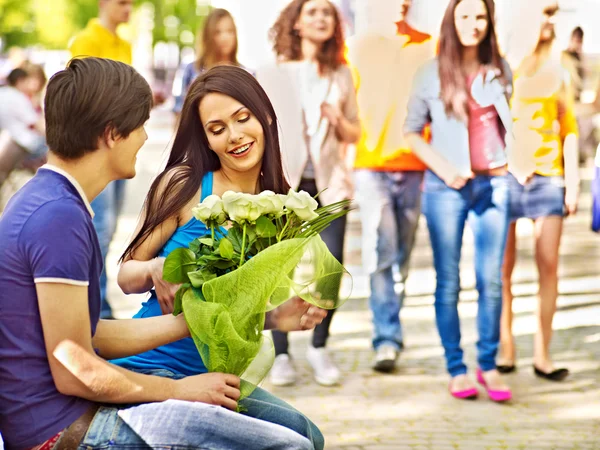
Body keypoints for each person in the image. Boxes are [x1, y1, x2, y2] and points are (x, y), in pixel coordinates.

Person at [0, 57, 324, 450]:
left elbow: (92, 335)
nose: (144, 139)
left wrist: (262, 317)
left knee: (304, 434)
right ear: (112, 134)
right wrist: (178, 389)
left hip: (69, 413)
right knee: (292, 445)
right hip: (63, 430)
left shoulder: (55, 203)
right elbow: (75, 370)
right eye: (140, 127)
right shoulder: (58, 216)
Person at [112, 64, 326, 449]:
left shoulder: (284, 208)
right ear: (207, 139)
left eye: (242, 118)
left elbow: (225, 311)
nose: (235, 135)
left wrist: (276, 317)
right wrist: (156, 268)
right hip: (152, 366)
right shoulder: (185, 185)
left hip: (214, 377)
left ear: (265, 117)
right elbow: (126, 275)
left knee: (309, 434)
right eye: (217, 128)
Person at [404, 0, 513, 401]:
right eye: (465, 16)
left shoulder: (501, 69)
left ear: (489, 22)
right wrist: (447, 169)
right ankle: (457, 367)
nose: (474, 24)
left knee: (492, 280)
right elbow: (412, 131)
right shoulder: (429, 74)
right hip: (445, 188)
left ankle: (488, 364)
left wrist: (511, 161)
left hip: (494, 186)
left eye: (480, 16)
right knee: (448, 282)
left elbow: (506, 125)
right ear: (452, 20)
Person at [259, 0, 360, 387]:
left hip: (330, 182)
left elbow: (355, 132)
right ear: (296, 23)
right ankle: (281, 353)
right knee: (277, 268)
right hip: (284, 185)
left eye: (327, 13)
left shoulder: (342, 74)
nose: (321, 17)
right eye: (312, 11)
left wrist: (338, 121)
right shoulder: (275, 73)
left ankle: (319, 345)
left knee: (330, 269)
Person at [346, 0, 434, 372]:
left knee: (401, 256)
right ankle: (386, 338)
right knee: (380, 248)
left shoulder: (430, 45)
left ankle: (390, 320)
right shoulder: (358, 47)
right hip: (371, 164)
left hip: (416, 164)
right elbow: (347, 107)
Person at [499, 1, 579, 382]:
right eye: (544, 13)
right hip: (506, 178)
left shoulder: (559, 72)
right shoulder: (502, 68)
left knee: (548, 266)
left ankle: (543, 354)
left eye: (553, 14)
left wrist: (573, 183)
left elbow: (570, 131)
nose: (549, 21)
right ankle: (506, 345)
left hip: (549, 181)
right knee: (503, 272)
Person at [69, 0, 136, 319]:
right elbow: (84, 97)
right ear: (104, 3)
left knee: (108, 233)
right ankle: (97, 309)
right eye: (123, 2)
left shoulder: (124, 44)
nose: (129, 9)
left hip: (122, 147)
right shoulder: (85, 41)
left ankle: (98, 304)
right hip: (97, 150)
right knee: (100, 228)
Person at [173, 8, 246, 117]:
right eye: (218, 32)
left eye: (230, 31)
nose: (225, 37)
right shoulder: (191, 71)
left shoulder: (245, 74)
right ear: (208, 35)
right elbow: (179, 112)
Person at [0, 67, 47, 188]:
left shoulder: (3, 93)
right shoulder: (17, 97)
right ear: (20, 81)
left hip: (9, 144)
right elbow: (36, 125)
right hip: (26, 144)